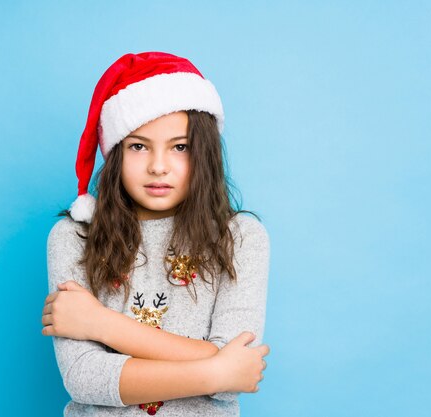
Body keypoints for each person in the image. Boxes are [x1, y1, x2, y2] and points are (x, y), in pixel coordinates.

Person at [41, 51, 270, 417]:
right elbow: (83, 376)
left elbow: (239, 365)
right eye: (138, 146)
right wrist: (215, 370)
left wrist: (101, 323)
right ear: (114, 151)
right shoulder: (73, 237)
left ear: (204, 153)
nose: (158, 166)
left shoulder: (240, 237)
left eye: (180, 147)